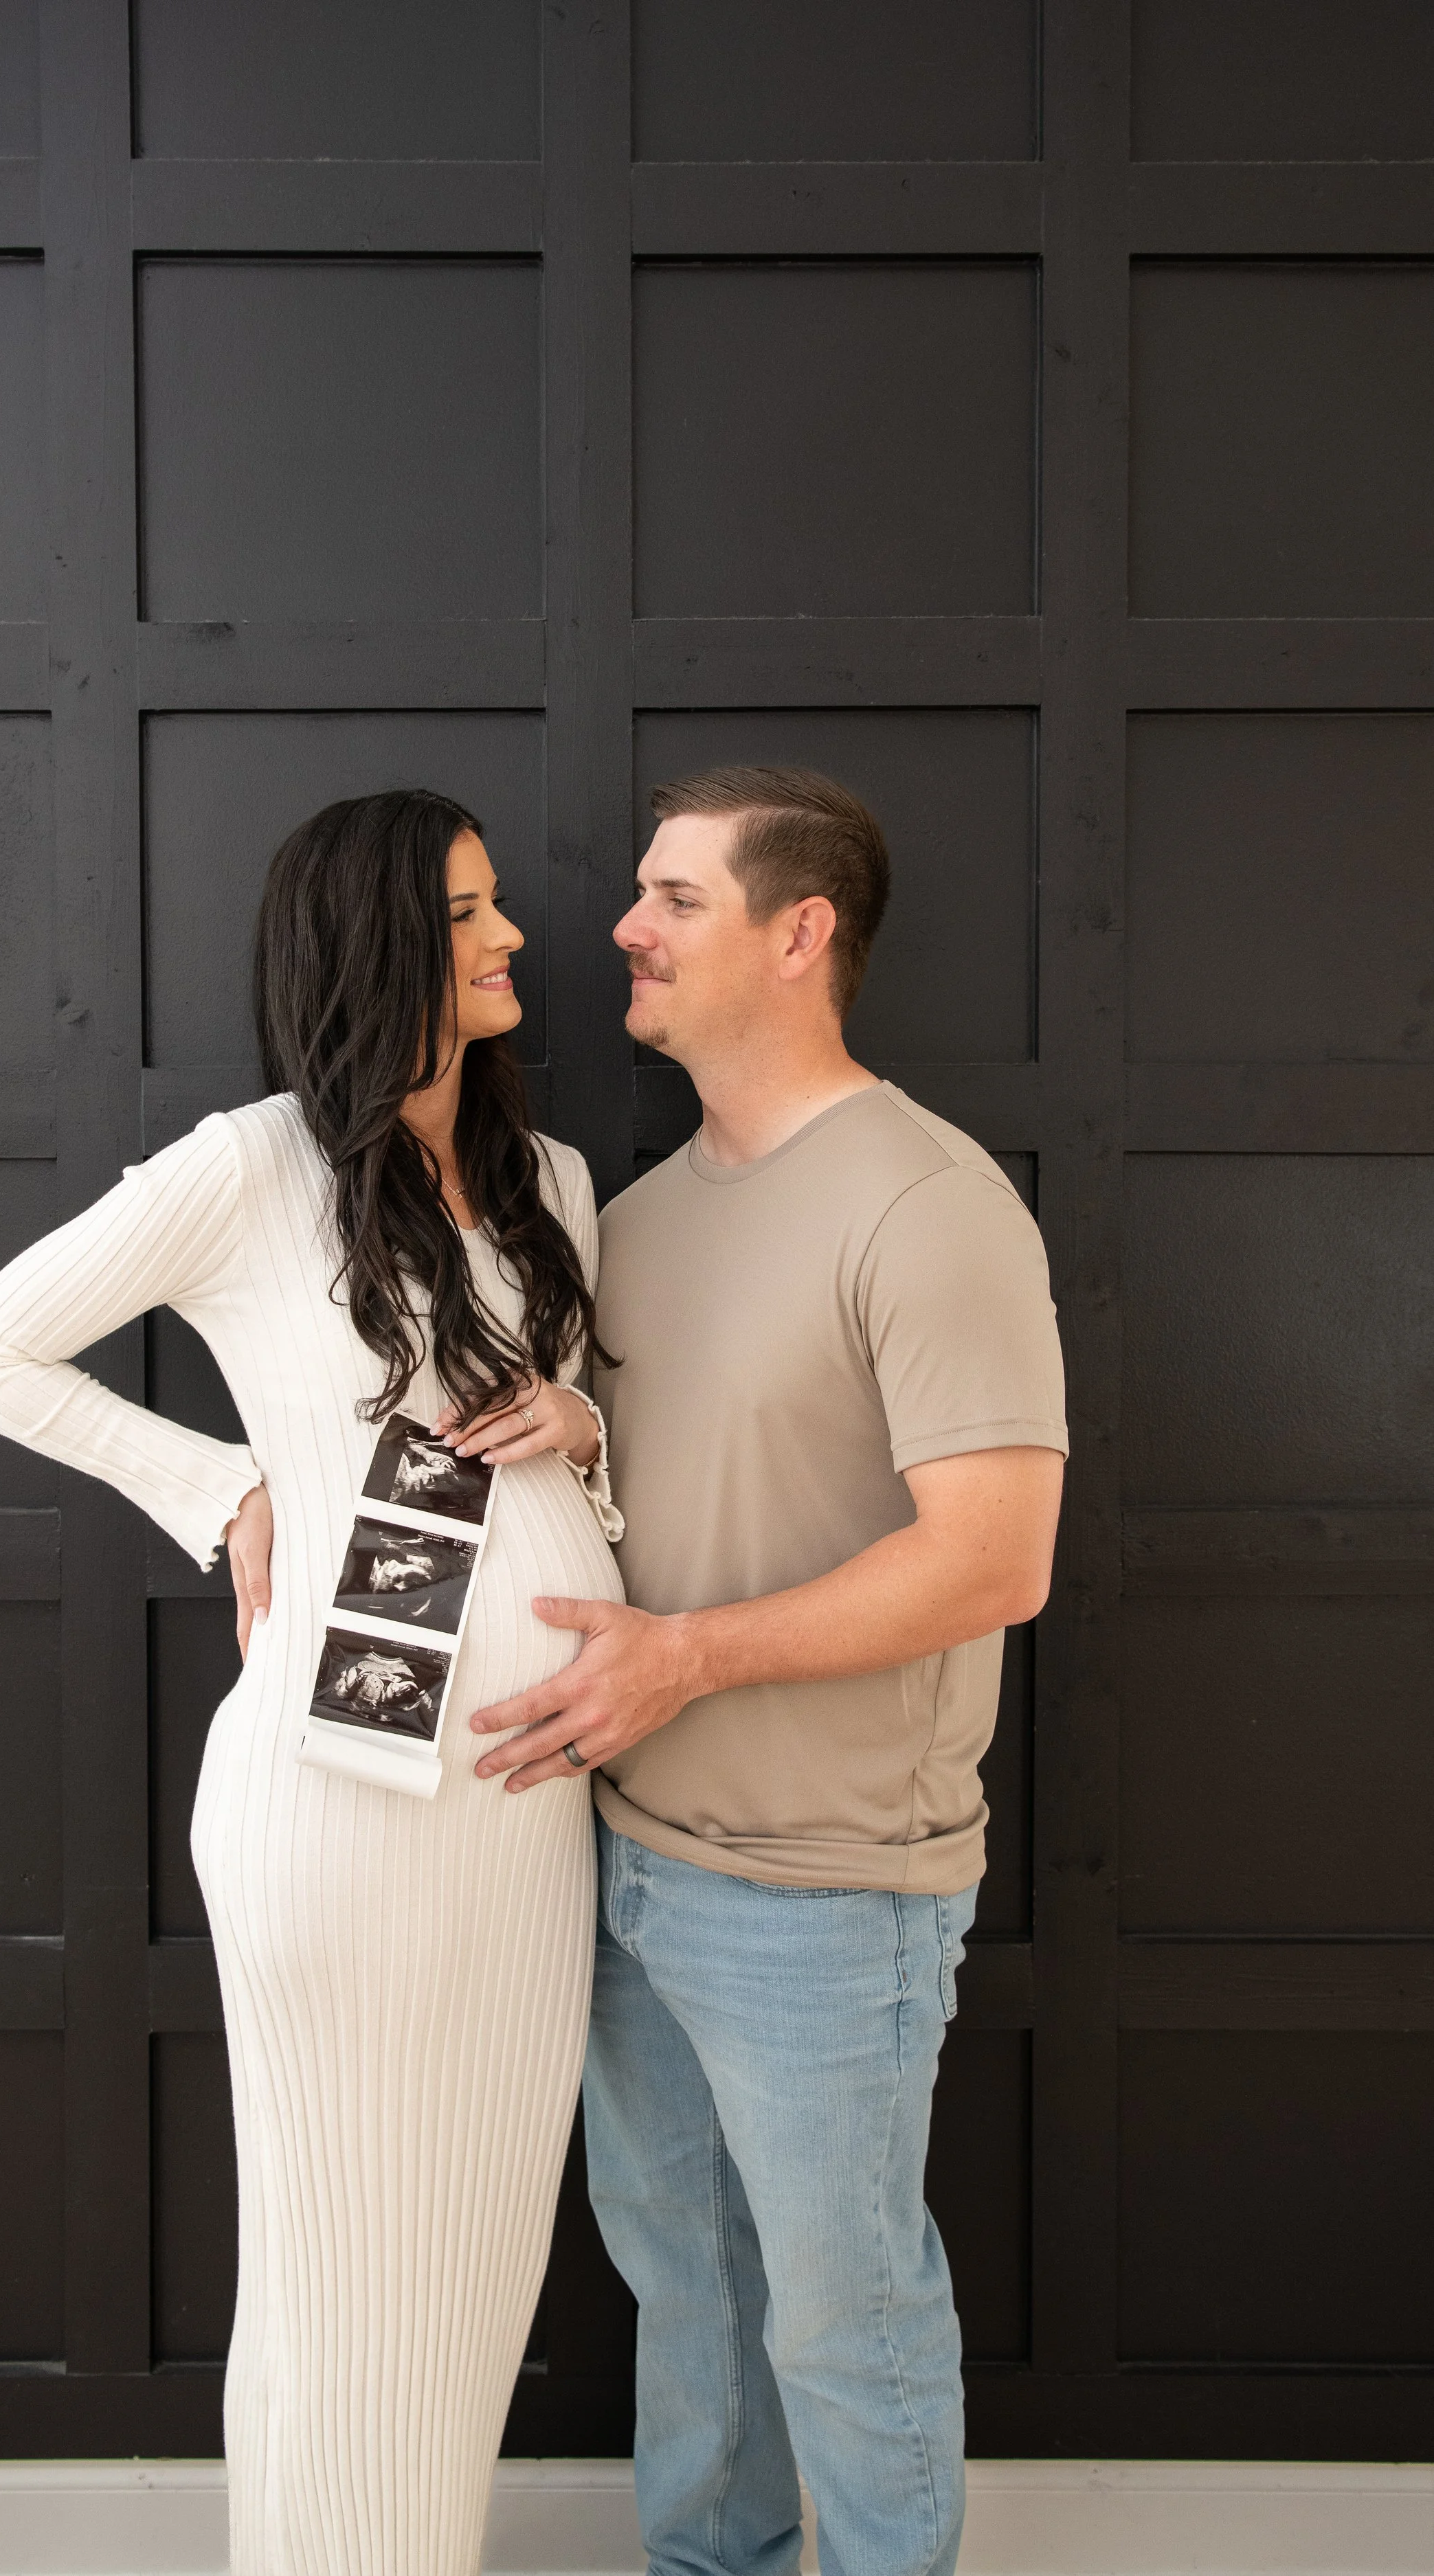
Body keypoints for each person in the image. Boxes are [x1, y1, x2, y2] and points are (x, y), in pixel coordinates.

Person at [0, 789, 624, 2576]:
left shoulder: (552, 1186)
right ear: (375, 939)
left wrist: (588, 1426)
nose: (512, 937)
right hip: (337, 1794)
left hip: (529, 1794)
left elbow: (573, 1481)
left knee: (474, 2243)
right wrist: (217, 1485)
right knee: (333, 2251)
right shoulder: (248, 1168)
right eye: (468, 911)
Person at [469, 767, 1068, 2576]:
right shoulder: (639, 1219)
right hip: (630, 1863)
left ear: (798, 933)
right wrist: (584, 1437)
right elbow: (692, 1492)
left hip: (826, 1893)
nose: (619, 929)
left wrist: (681, 1660)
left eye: (672, 899)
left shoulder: (926, 1203)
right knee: (685, 2288)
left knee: (839, 2302)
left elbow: (993, 1557)